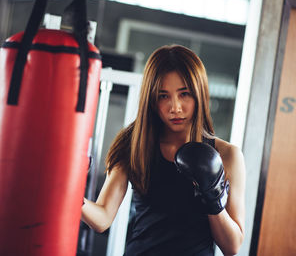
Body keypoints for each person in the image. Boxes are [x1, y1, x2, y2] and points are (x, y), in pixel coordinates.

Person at [81, 45, 245, 256]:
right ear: (151, 99)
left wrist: (213, 198)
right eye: (163, 96)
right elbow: (102, 218)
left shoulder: (227, 155)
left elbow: (232, 247)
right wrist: (74, 193)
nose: (175, 107)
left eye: (184, 94)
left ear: (199, 94)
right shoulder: (136, 144)